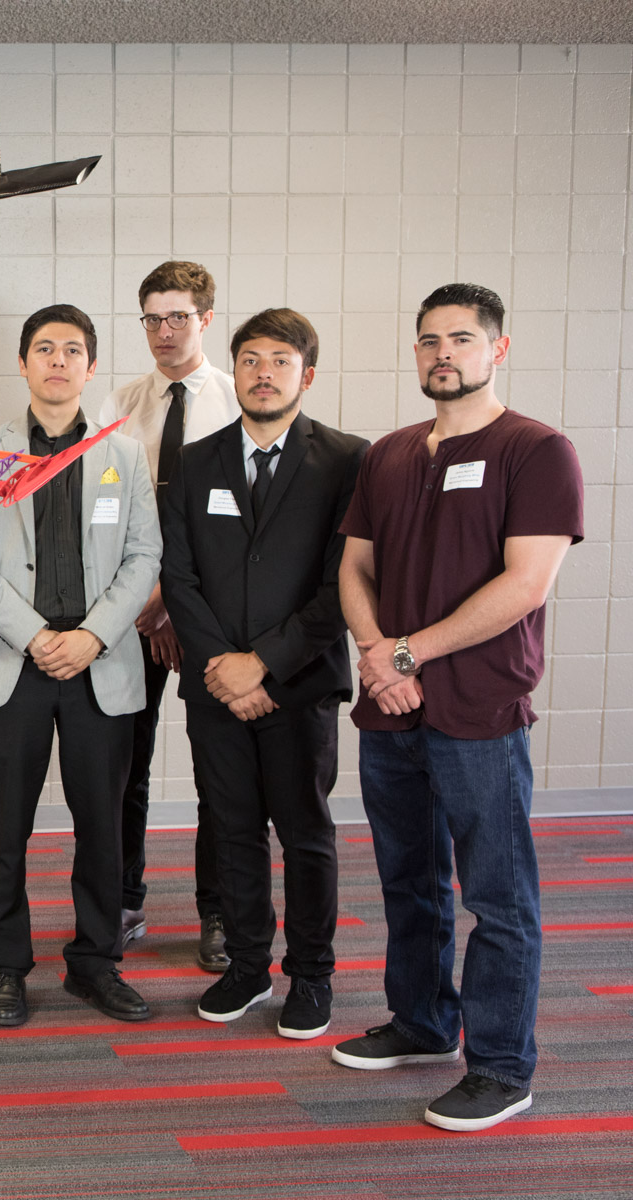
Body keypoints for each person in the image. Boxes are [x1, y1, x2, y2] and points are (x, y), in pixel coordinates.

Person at [332, 284, 582, 1132]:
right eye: (430, 340)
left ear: (497, 349)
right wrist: (379, 657)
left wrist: (407, 653)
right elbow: (354, 569)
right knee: (408, 880)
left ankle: (503, 1068)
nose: (445, 353)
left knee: (498, 897)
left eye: (463, 339)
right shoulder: (390, 454)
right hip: (390, 711)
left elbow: (527, 583)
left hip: (478, 711)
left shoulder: (536, 450)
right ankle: (423, 1021)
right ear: (416, 352)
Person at [0, 304, 161, 1026]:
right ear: (23, 363)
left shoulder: (124, 453)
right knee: (6, 828)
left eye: (73, 350)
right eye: (45, 349)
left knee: (102, 825)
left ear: (91, 367)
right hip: (17, 663)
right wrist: (35, 635)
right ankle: (7, 966)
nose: (59, 361)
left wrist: (93, 636)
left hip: (99, 664)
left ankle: (96, 963)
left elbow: (144, 555)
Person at [159, 308, 368, 1039]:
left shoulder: (347, 460)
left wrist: (264, 667)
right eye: (250, 359)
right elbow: (179, 577)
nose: (263, 373)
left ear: (307, 375)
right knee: (233, 830)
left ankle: (311, 975)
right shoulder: (194, 461)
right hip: (215, 687)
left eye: (280, 360)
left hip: (299, 686)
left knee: (305, 833)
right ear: (235, 369)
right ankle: (248, 966)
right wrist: (224, 666)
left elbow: (343, 583)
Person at [98, 261, 240, 973]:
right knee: (126, 765)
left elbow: (244, 526)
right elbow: (106, 514)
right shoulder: (121, 403)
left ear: (206, 319)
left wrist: (181, 604)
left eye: (178, 316)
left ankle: (219, 912)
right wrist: (147, 603)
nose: (163, 331)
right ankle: (123, 901)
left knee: (222, 774)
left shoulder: (239, 398)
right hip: (137, 612)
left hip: (212, 617)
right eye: (152, 318)